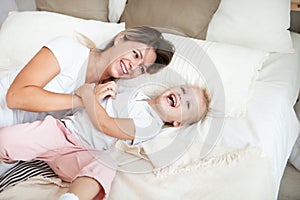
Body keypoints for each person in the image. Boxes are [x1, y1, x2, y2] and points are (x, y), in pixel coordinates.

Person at [0, 81, 210, 200]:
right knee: (7, 138)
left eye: (188, 105)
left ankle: (72, 199)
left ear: (177, 123)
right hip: (61, 131)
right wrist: (94, 90)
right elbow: (97, 95)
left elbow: (107, 125)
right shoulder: (134, 93)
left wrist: (86, 94)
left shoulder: (151, 124)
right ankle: (11, 155)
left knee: (105, 164)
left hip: (81, 152)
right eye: (182, 91)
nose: (181, 97)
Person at [0, 26, 175, 127]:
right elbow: (15, 97)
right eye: (135, 55)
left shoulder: (110, 96)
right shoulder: (68, 50)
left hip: (17, 139)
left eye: (142, 69)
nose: (133, 67)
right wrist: (83, 100)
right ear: (120, 39)